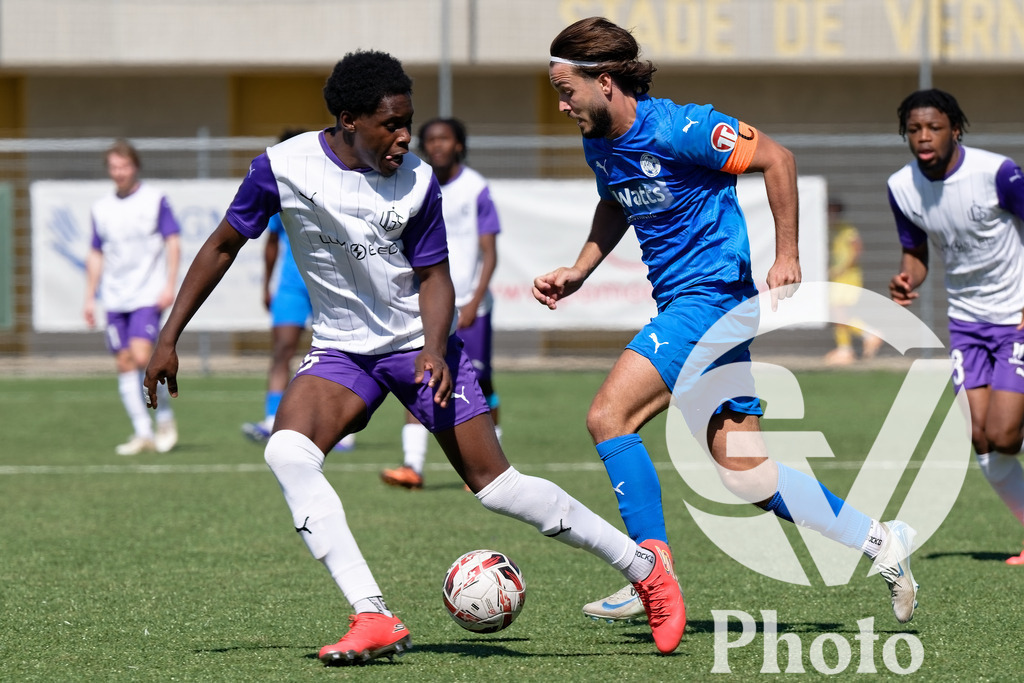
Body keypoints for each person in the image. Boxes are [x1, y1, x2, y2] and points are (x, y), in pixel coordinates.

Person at [143, 50, 686, 663]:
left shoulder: (418, 182)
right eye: (391, 124)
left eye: (409, 121)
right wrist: (169, 337)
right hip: (342, 352)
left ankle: (646, 570)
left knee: (498, 487)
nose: (404, 137)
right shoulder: (281, 167)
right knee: (287, 453)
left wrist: (434, 349)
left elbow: (435, 277)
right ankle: (372, 616)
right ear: (348, 120)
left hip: (416, 347)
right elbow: (221, 245)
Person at [537, 16, 920, 624]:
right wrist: (580, 269)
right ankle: (882, 541)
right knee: (746, 472)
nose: (562, 104)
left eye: (567, 90)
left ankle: (648, 575)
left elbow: (778, 159)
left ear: (605, 81)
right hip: (687, 307)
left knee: (609, 417)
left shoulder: (683, 127)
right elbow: (616, 200)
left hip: (711, 302)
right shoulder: (600, 142)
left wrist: (787, 252)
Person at [887, 88, 1024, 566]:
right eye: (915, 129)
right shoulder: (902, 187)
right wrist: (909, 279)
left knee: (1006, 435)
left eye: (934, 127)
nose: (924, 137)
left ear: (955, 130)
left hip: (1017, 317)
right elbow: (917, 253)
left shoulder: (997, 173)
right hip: (966, 322)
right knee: (980, 437)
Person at [381, 117, 501, 489]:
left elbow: (489, 251)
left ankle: (491, 464)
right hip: (427, 303)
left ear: (459, 145)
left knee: (479, 382)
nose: (436, 146)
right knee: (418, 374)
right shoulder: (412, 184)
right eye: (430, 139)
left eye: (444, 139)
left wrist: (474, 301)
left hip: (470, 306)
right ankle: (412, 466)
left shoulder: (475, 187)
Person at [241, 129, 355, 452]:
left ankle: (341, 428)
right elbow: (272, 242)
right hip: (291, 287)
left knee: (337, 355)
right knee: (282, 350)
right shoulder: (281, 193)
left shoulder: (333, 190)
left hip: (330, 287)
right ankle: (271, 419)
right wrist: (266, 284)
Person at [84, 138, 180, 456]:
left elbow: (173, 242)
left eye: (124, 166)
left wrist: (169, 284)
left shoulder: (155, 200)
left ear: (134, 167)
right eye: (114, 167)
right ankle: (143, 433)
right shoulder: (101, 208)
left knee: (142, 357)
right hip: (114, 298)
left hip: (147, 294)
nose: (119, 172)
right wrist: (89, 297)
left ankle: (164, 419)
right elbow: (96, 253)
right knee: (124, 362)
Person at [823, 198, 882, 366]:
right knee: (837, 314)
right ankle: (847, 347)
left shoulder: (847, 229)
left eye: (833, 211)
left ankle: (863, 338)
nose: (830, 215)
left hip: (848, 278)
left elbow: (857, 250)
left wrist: (842, 268)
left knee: (838, 312)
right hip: (837, 278)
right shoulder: (830, 230)